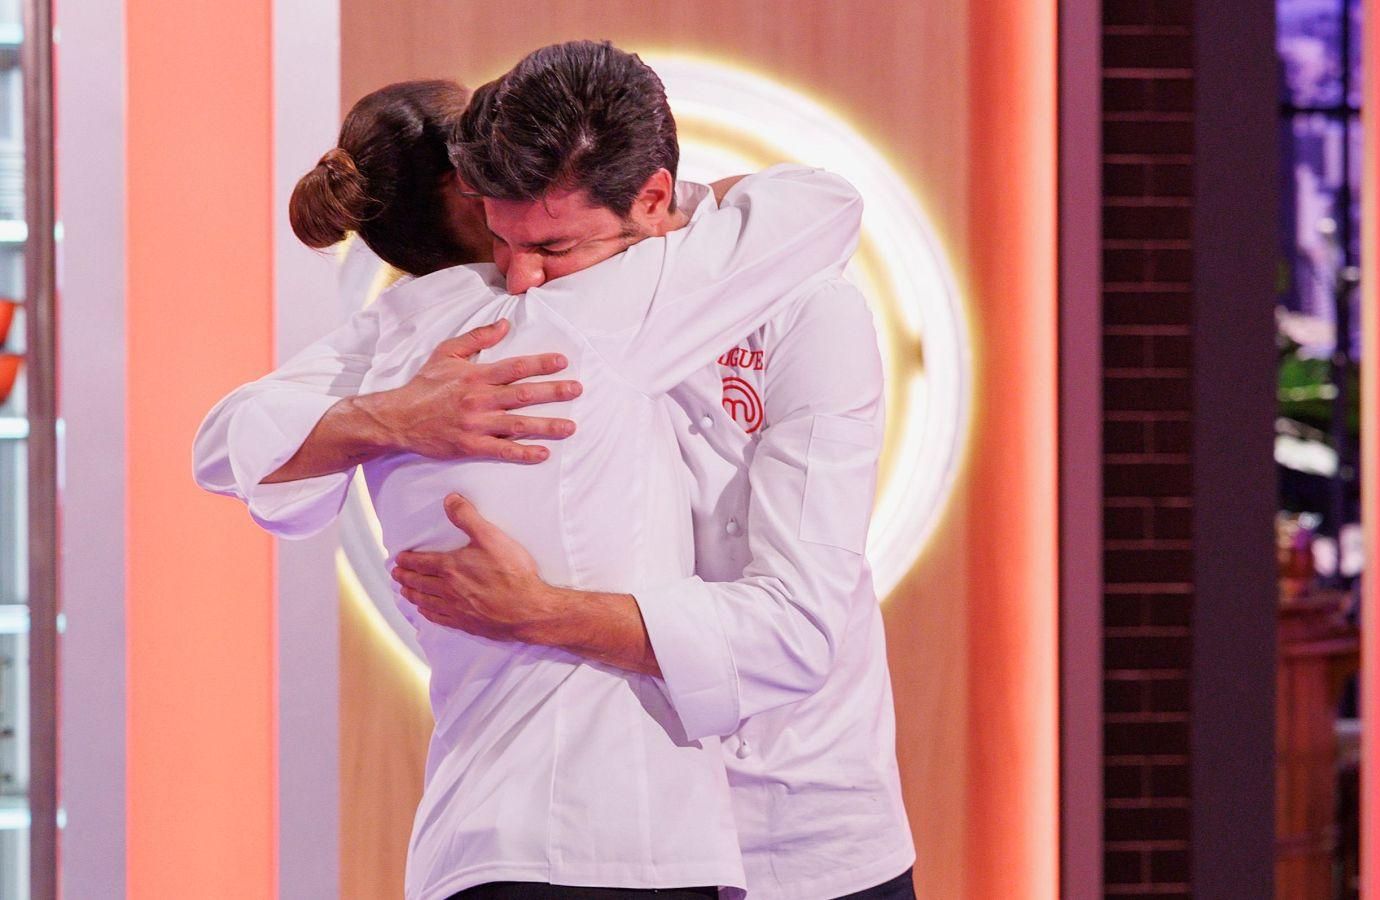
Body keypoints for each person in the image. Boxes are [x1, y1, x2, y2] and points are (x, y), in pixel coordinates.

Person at [197, 41, 916, 900]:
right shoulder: (471, 324)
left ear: (650, 201)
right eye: (499, 244)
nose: (523, 281)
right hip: (632, 835)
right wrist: (393, 417)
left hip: (801, 826)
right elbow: (228, 442)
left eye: (552, 247)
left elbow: (795, 631)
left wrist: (544, 613)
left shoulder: (795, 304)